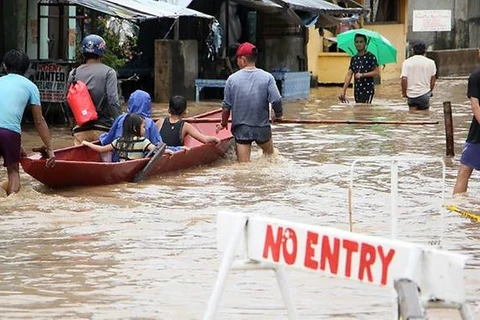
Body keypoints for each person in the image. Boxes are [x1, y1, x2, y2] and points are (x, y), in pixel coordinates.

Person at [216, 42, 283, 162]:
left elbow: (226, 107)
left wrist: (223, 123)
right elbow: (277, 100)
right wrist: (278, 115)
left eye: (237, 59)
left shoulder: (232, 80)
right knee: (270, 157)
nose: (237, 62)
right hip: (261, 128)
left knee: (243, 167)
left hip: (242, 130)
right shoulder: (267, 77)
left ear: (243, 59)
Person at [0, 50, 55, 195]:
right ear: (26, 69)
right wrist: (49, 148)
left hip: (9, 132)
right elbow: (39, 121)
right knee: (13, 171)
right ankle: (12, 201)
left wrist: (18, 145)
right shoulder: (31, 86)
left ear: (5, 66)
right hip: (10, 133)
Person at [67, 34, 121, 145]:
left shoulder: (73, 73)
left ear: (83, 53)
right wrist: (119, 124)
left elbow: (67, 101)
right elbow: (113, 101)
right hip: (103, 129)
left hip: (80, 130)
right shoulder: (109, 72)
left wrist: (72, 124)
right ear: (102, 53)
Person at [100, 89, 161, 161]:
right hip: (139, 161)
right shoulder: (149, 123)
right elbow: (158, 145)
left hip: (118, 160)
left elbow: (107, 140)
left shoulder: (121, 118)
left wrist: (102, 137)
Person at [453, 50, 480, 195]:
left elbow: (476, 106)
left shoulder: (475, 77)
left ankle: (457, 209)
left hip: (477, 136)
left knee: (464, 172)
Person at [82, 114, 156, 162]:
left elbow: (101, 149)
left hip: (121, 169)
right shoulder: (143, 141)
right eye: (143, 127)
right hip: (134, 169)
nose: (145, 129)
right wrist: (167, 151)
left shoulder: (119, 141)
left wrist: (87, 143)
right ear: (135, 128)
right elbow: (156, 150)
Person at [156, 95, 220, 149]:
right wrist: (216, 139)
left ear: (169, 110)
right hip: (174, 153)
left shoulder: (160, 122)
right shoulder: (185, 126)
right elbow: (205, 139)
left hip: (160, 152)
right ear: (184, 112)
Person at [340, 34, 380, 104]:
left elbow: (376, 72)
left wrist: (362, 75)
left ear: (365, 43)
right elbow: (349, 74)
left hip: (368, 90)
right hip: (357, 90)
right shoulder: (354, 58)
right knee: (358, 111)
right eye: (357, 42)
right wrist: (343, 90)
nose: (359, 44)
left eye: (361, 42)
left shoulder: (371, 57)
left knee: (366, 110)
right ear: (354, 43)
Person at [401, 41, 437, 110]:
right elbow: (433, 80)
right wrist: (430, 91)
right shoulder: (431, 63)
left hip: (411, 95)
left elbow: (404, 79)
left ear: (413, 50)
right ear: (425, 50)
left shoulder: (407, 62)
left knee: (412, 116)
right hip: (425, 94)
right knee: (424, 116)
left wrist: (404, 93)